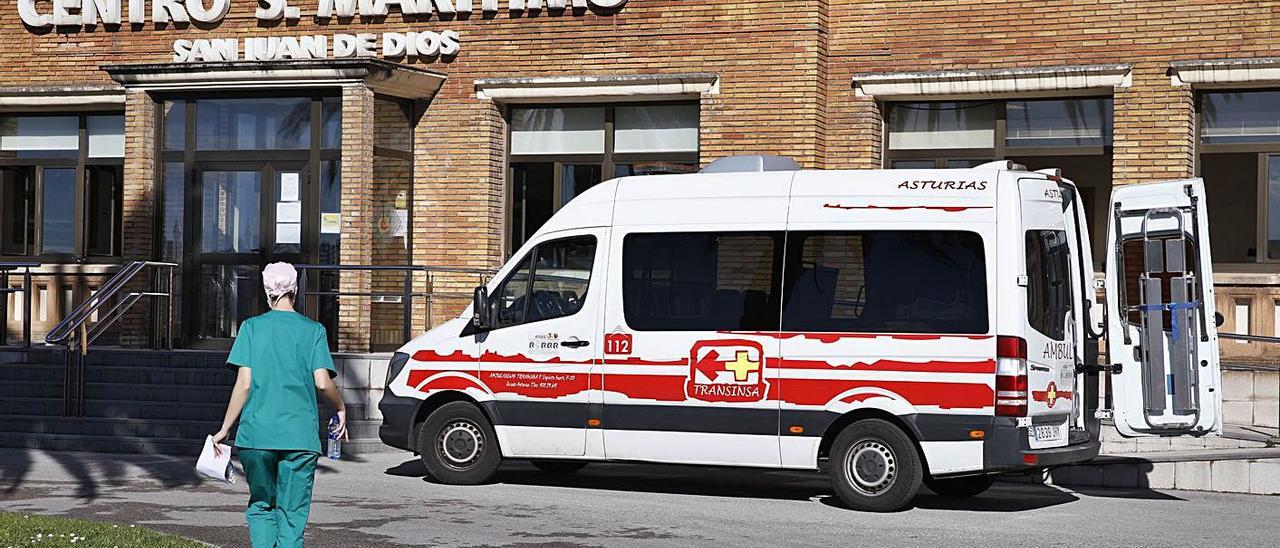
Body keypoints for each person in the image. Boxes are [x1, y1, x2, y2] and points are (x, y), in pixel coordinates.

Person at [211, 262, 348, 548]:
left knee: (261, 506)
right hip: (300, 438)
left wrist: (225, 428)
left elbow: (244, 384)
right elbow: (323, 383)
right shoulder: (314, 331)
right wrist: (341, 408)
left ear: (266, 291)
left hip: (256, 436)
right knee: (292, 513)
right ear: (295, 289)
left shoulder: (251, 328)